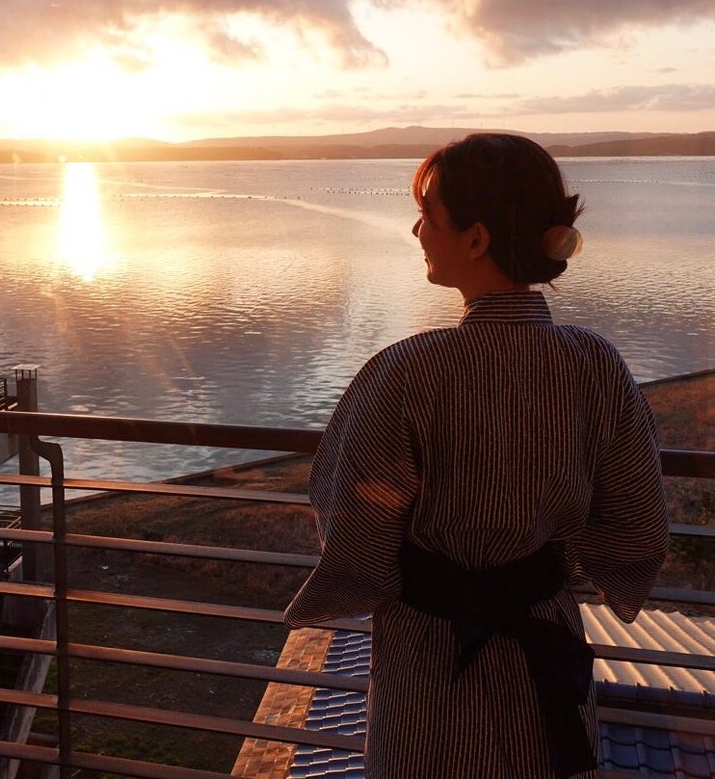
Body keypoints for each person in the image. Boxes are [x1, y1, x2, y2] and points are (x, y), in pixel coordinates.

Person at [285, 133, 669, 779]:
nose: (416, 230)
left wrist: (397, 570)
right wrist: (546, 552)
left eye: (429, 216)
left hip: (429, 660)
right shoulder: (597, 365)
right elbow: (636, 525)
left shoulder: (407, 373)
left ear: (476, 239)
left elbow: (352, 526)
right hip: (547, 651)